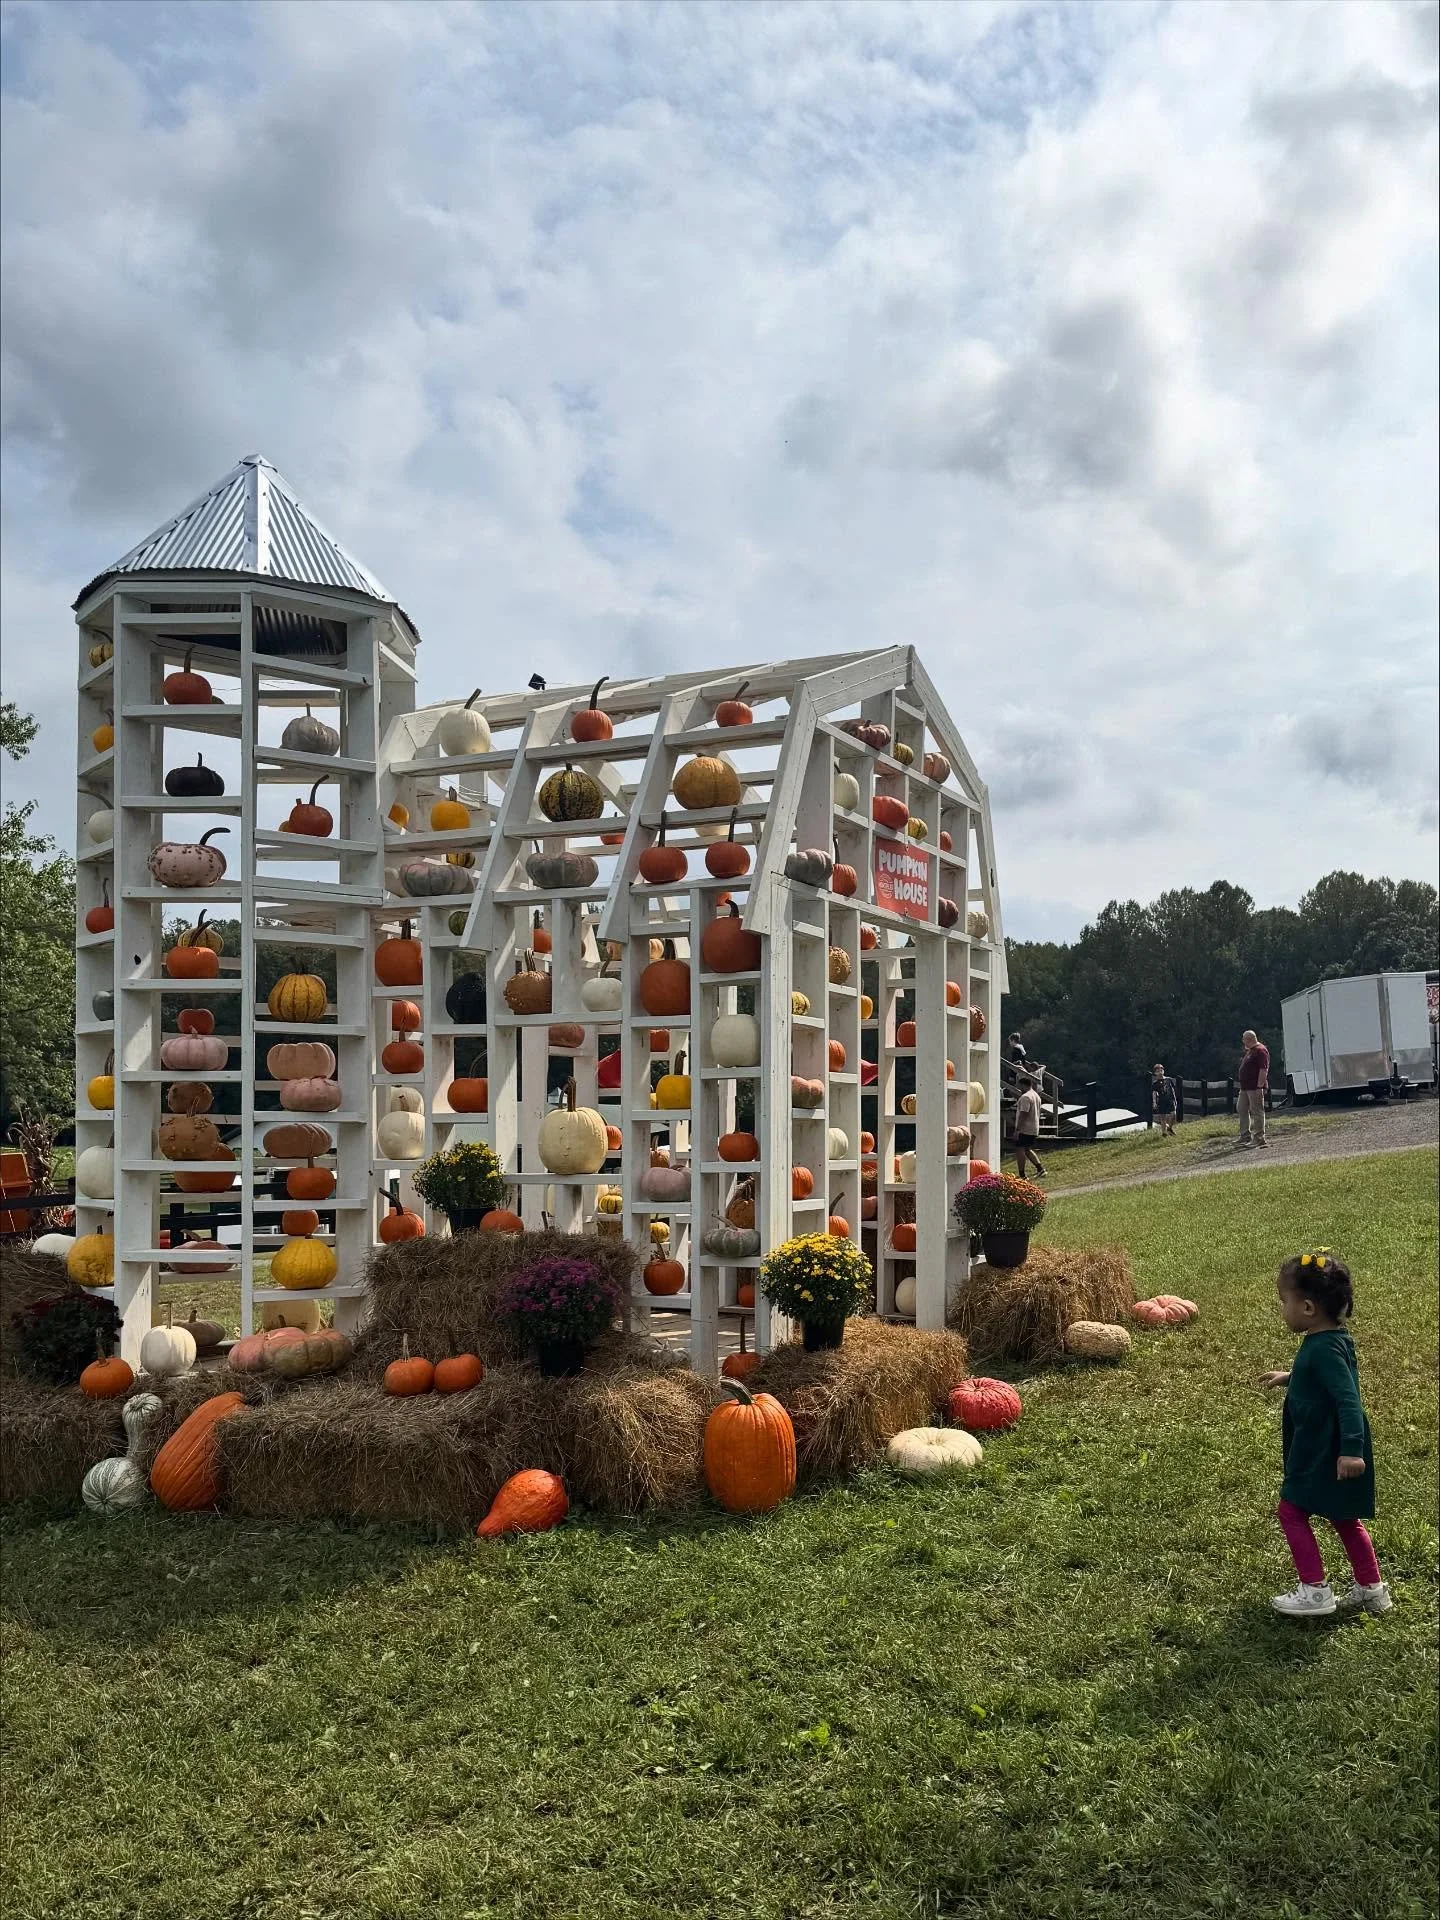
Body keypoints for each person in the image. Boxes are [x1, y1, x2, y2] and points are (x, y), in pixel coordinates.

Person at [1260, 1249, 1389, 1619]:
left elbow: (1349, 1400)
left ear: (1308, 1309)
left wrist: (1351, 1451)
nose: (1282, 1308)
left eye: (1284, 1301)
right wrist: (1292, 1376)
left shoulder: (1324, 1350)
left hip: (1324, 1450)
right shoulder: (1328, 1342)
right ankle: (1371, 1589)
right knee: (1344, 1516)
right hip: (1325, 1447)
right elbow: (1325, 1381)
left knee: (1291, 1511)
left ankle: (1314, 1590)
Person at [1237, 1028, 1269, 1148]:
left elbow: (1263, 1069)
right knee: (1241, 1108)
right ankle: (1245, 1135)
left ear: (1249, 1039)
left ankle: (1259, 1137)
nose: (1243, 1041)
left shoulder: (1260, 1051)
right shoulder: (1251, 1051)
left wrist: (1260, 1087)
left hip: (1254, 1087)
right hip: (1245, 1088)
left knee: (1257, 1111)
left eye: (1244, 1039)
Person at [1013, 1070, 1046, 1179]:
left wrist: (1018, 1130)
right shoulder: (1036, 1096)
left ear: (1023, 1085)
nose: (1019, 1089)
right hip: (1034, 1127)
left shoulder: (1025, 1097)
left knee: (1020, 1149)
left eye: (1020, 1086)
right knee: (1027, 1149)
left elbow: (1024, 1113)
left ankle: (1022, 1175)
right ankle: (1040, 1169)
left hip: (1024, 1128)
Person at [1151, 1062, 1177, 1137]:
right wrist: (1154, 1102)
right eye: (1158, 1071)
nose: (1160, 1072)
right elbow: (1154, 1093)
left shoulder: (1169, 1079)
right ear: (1155, 1073)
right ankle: (1164, 1133)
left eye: (1161, 1070)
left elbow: (1173, 1090)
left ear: (1163, 1071)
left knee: (1174, 1114)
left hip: (1170, 1099)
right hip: (1161, 1101)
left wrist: (1175, 1099)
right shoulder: (1155, 1083)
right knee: (1163, 1117)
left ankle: (1169, 1128)